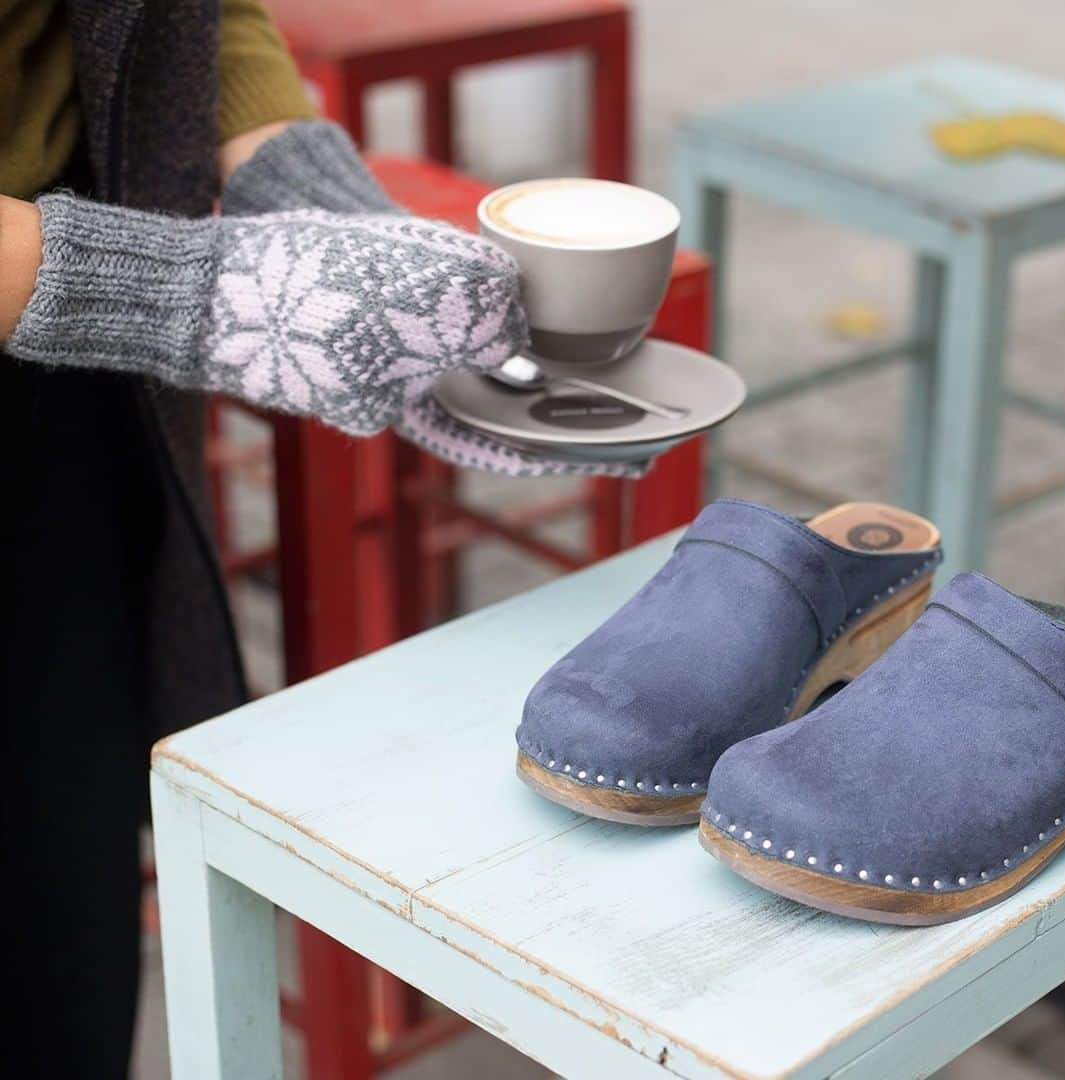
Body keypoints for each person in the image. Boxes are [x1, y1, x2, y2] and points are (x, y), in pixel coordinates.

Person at [1, 2, 636, 1074]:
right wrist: (206, 293)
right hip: (71, 276)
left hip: (58, 366)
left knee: (58, 913)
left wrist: (318, 201)